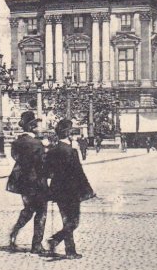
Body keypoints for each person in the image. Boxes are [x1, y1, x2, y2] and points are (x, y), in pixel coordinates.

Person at [45, 118, 96, 259]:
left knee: (66, 220)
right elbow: (79, 173)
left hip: (57, 190)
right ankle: (55, 240)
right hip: (72, 190)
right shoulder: (71, 151)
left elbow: (47, 171)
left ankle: (70, 250)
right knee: (74, 222)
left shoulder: (52, 150)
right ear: (68, 134)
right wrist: (88, 191)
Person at [7, 111, 48, 254]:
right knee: (41, 212)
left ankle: (14, 231)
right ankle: (36, 244)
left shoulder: (17, 142)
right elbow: (42, 163)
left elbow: (15, 157)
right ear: (31, 127)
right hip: (37, 182)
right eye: (35, 125)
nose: (37, 128)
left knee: (29, 209)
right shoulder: (37, 144)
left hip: (22, 182)